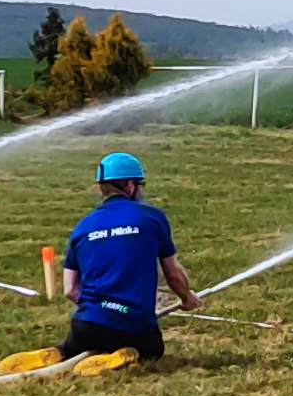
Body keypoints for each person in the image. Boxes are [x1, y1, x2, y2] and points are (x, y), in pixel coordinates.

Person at [55, 150, 197, 362]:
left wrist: (102, 309)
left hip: (86, 325)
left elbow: (70, 289)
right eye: (141, 185)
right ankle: (122, 357)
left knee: (71, 351)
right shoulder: (151, 218)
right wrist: (186, 297)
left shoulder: (82, 226)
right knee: (152, 350)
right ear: (130, 186)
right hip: (132, 325)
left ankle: (58, 353)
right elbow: (173, 274)